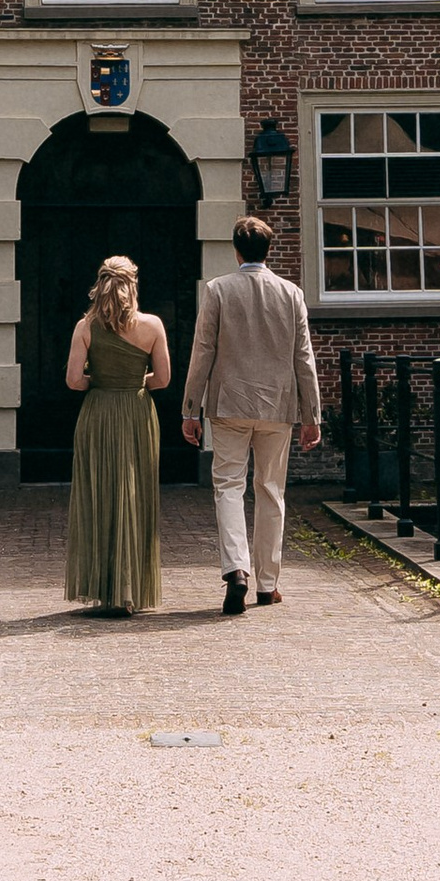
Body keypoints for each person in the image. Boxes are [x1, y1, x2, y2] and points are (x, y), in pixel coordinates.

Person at [179, 215, 320, 614]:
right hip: (278, 406)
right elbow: (303, 358)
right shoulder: (291, 293)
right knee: (271, 490)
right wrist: (312, 415)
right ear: (268, 249)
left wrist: (191, 409)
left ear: (236, 250)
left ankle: (236, 570)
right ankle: (268, 584)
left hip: (229, 406)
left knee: (228, 486)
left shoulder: (218, 290)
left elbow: (202, 351)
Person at [63, 252, 168, 615]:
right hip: (137, 413)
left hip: (98, 413)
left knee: (99, 495)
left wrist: (102, 380)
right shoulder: (152, 326)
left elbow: (74, 381)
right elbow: (164, 379)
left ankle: (102, 587)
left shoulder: (85, 327)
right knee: (135, 496)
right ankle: (131, 589)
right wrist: (133, 380)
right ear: (132, 286)